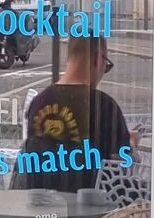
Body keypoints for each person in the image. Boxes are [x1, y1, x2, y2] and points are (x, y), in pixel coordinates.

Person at [15, 35, 134, 194]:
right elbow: (121, 171)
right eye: (105, 65)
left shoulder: (37, 104)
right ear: (97, 59)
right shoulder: (105, 107)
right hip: (87, 206)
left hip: (40, 205)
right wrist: (132, 145)